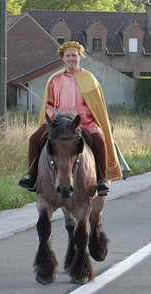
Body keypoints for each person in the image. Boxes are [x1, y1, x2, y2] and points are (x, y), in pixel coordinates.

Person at [18, 41, 122, 196]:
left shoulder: (90, 78)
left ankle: (101, 179)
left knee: (100, 140)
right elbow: (50, 103)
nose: (71, 58)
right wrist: (54, 116)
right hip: (59, 120)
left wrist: (82, 115)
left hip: (84, 120)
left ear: (80, 57)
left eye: (74, 55)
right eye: (68, 56)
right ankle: (32, 176)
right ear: (63, 58)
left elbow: (95, 105)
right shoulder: (54, 79)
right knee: (34, 138)